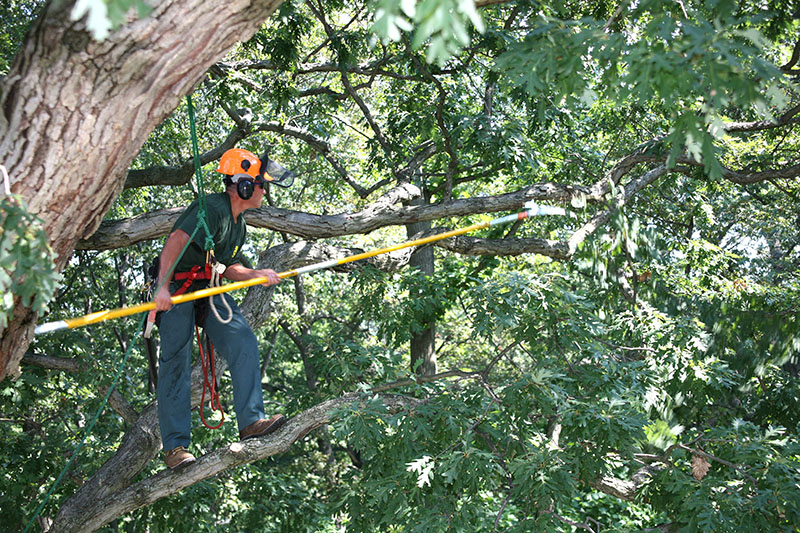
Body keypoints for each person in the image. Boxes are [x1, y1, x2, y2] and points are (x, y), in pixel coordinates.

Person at [151, 147, 285, 469]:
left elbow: (229, 266)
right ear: (243, 185)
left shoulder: (239, 225)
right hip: (177, 285)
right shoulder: (210, 208)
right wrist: (162, 287)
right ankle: (175, 448)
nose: (264, 191)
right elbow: (177, 240)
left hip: (208, 287)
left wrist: (257, 275)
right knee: (176, 358)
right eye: (259, 184)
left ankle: (252, 421)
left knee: (242, 338)